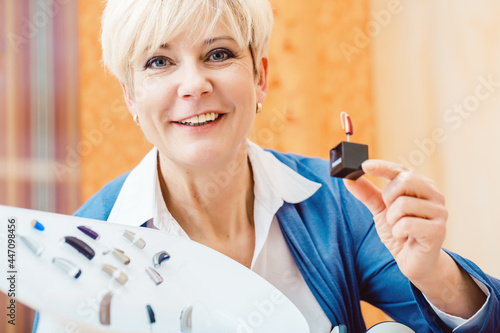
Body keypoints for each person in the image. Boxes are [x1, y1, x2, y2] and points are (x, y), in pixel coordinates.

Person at [34, 0, 500, 332]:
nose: (194, 84)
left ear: (260, 78)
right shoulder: (86, 244)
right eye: (160, 61)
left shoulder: (336, 198)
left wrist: (433, 271)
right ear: (130, 98)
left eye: (219, 54)